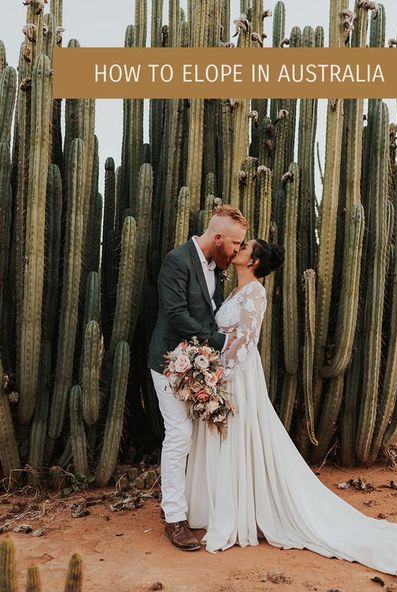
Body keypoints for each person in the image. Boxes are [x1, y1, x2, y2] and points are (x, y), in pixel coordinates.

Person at [184, 238, 397, 575]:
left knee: (236, 434)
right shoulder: (234, 291)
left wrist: (219, 374)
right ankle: (220, 504)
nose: (238, 248)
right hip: (225, 368)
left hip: (238, 373)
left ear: (254, 262)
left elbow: (247, 338)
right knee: (224, 433)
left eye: (245, 247)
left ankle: (238, 510)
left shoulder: (255, 293)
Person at [148, 205, 248, 551]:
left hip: (199, 363)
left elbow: (212, 311)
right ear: (217, 238)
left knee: (199, 439)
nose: (237, 251)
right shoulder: (177, 261)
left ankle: (201, 507)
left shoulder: (214, 266)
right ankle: (174, 517)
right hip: (167, 362)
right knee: (179, 435)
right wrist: (219, 342)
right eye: (235, 244)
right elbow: (175, 314)